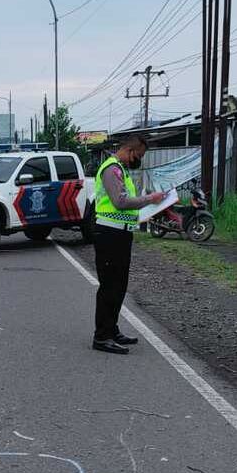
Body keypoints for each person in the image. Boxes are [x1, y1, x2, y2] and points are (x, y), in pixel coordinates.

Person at [90, 135, 166, 354]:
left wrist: (146, 210)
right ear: (130, 151)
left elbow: (128, 205)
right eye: (139, 156)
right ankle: (101, 336)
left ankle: (112, 329)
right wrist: (150, 200)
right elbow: (120, 201)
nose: (139, 160)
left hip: (121, 234)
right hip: (108, 234)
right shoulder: (111, 169)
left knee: (119, 286)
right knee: (109, 287)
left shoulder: (121, 170)